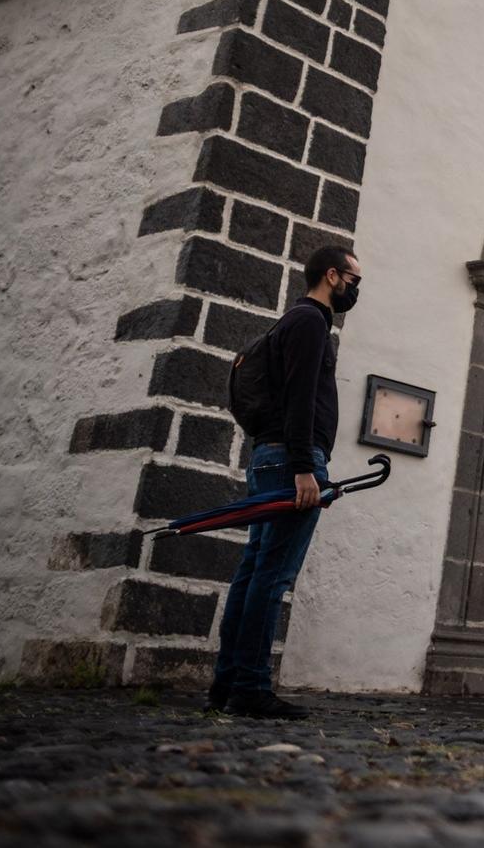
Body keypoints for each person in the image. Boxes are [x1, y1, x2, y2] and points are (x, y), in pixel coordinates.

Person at [209, 244, 362, 720]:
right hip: (290, 459)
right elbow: (298, 397)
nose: (358, 288)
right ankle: (251, 687)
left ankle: (229, 685)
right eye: (355, 279)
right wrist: (306, 469)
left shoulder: (295, 321)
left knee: (255, 571)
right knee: (270, 576)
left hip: (274, 457)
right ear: (333, 276)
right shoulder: (311, 322)